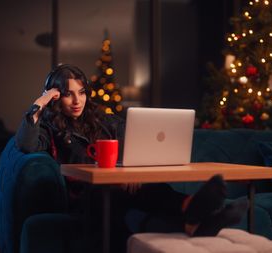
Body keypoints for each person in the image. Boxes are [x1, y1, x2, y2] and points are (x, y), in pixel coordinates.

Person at [15, 64, 247, 252]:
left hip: (121, 189)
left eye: (82, 92)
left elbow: (135, 139)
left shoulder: (102, 119)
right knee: (110, 194)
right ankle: (195, 217)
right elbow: (26, 144)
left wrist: (129, 171)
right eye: (67, 95)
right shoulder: (47, 126)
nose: (77, 101)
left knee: (145, 190)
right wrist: (41, 102)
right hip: (86, 197)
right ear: (55, 98)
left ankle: (193, 216)